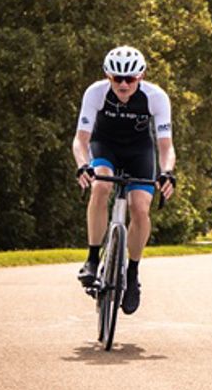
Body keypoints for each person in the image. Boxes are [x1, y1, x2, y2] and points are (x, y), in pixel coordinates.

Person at [73, 46, 176, 315]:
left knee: (140, 208)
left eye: (130, 79)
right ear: (108, 75)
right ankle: (93, 259)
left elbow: (166, 146)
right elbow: (80, 140)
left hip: (139, 152)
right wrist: (82, 165)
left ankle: (132, 275)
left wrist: (167, 172)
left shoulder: (156, 97)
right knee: (101, 185)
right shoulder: (95, 93)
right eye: (117, 78)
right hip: (105, 147)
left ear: (140, 76)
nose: (123, 84)